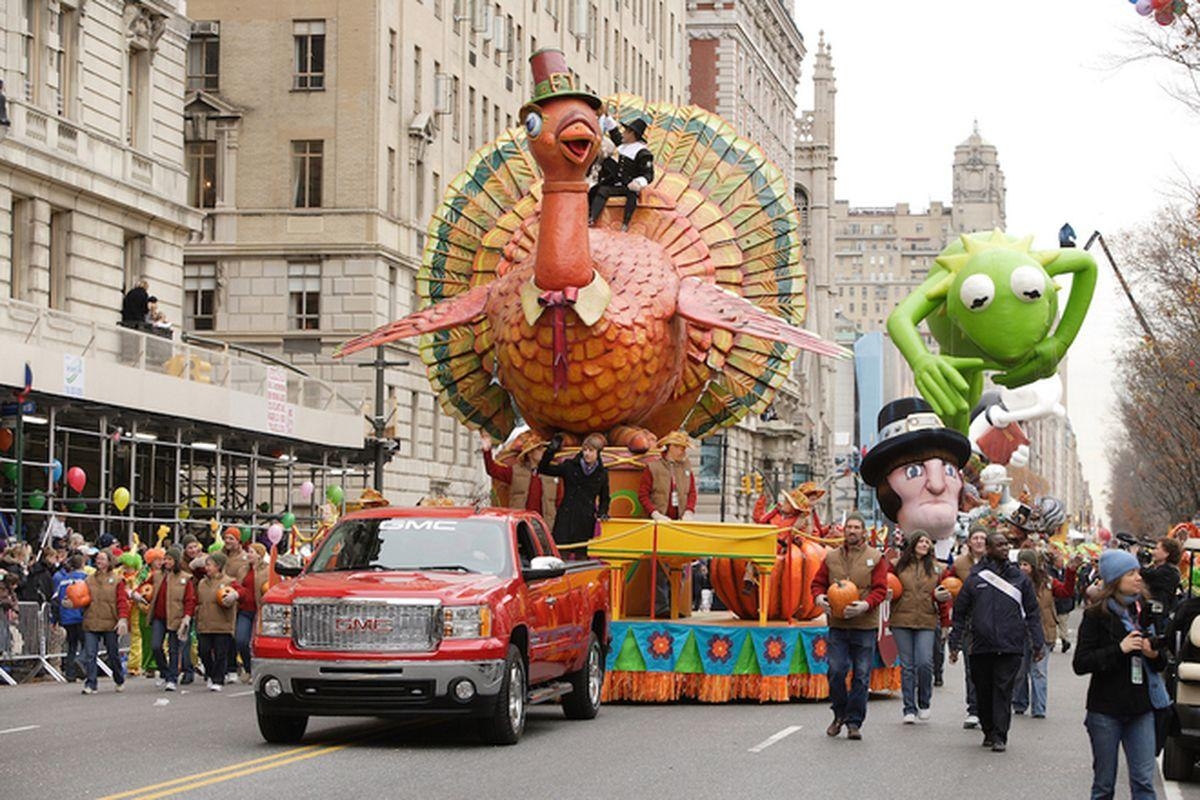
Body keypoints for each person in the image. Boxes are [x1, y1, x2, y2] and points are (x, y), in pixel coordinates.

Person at [1073, 549, 1167, 800]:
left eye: (1138, 571)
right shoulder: (1096, 615)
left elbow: (1162, 661)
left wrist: (1153, 654)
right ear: (1115, 579)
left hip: (1141, 708)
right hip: (1105, 709)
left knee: (1144, 782)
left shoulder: (1145, 610)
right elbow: (1081, 663)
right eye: (1131, 573)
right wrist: (1119, 649)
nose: (1138, 577)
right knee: (1104, 784)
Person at [949, 532, 1045, 752]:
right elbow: (960, 613)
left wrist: (1037, 643)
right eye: (999, 545)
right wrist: (954, 644)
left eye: (1006, 544)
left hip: (1010, 644)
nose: (1004, 548)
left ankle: (1000, 735)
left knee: (1003, 689)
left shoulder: (1020, 579)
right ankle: (988, 730)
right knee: (983, 690)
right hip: (981, 645)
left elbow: (1032, 612)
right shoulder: (976, 578)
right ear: (989, 549)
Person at [812, 512, 889, 740]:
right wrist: (818, 597)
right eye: (849, 527)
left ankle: (854, 722)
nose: (852, 531)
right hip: (837, 624)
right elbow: (817, 583)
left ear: (863, 532)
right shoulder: (831, 557)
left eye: (856, 527)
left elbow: (881, 589)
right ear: (844, 531)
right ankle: (839, 714)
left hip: (864, 625)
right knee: (836, 671)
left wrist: (866, 605)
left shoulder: (875, 557)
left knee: (862, 675)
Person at [890, 531, 953, 723]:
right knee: (907, 666)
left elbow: (943, 598)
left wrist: (945, 623)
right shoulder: (897, 566)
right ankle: (909, 708)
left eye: (927, 542)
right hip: (901, 620)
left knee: (925, 663)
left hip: (926, 620)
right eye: (921, 541)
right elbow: (887, 587)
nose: (924, 544)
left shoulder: (938, 569)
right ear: (913, 543)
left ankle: (924, 702)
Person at [1011, 549, 1078, 719]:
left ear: (1033, 566)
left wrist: (1070, 572)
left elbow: (1066, 592)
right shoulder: (1013, 582)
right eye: (1020, 564)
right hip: (1019, 632)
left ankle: (1039, 708)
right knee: (1020, 671)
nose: (1022, 568)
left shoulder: (1048, 582)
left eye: (1025, 564)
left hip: (1043, 632)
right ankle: (1019, 703)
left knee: (1039, 671)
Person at [637, 430, 697, 615]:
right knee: (659, 567)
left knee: (680, 567)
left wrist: (689, 510)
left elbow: (692, 492)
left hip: (679, 524)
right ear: (670, 447)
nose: (683, 451)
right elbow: (643, 494)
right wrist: (654, 513)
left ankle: (675, 606)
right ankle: (661, 607)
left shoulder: (686, 468)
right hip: (660, 523)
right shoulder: (653, 468)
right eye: (680, 447)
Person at [538, 433, 610, 557]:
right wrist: (550, 451)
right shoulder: (570, 466)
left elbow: (605, 497)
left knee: (581, 557)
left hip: (585, 520)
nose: (587, 453)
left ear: (598, 453)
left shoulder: (602, 473)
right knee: (561, 555)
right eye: (585, 450)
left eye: (591, 450)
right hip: (566, 517)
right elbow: (544, 469)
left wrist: (602, 512)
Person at [946, 524, 989, 729]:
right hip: (968, 621)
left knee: (987, 669)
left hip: (990, 621)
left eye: (982, 538)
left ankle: (986, 708)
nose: (979, 541)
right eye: (976, 538)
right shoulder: (959, 563)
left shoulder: (994, 562)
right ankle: (973, 709)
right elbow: (948, 583)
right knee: (971, 669)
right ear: (969, 541)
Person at [76, 549, 130, 695]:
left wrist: (123, 618)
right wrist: (72, 602)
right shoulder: (89, 579)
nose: (99, 561)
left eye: (102, 559)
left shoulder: (117, 579)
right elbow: (82, 597)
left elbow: (121, 601)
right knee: (90, 654)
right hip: (91, 620)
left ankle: (119, 679)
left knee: (113, 654)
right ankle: (91, 683)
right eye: (98, 559)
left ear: (109, 561)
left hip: (110, 622)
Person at [586, 118, 654, 231]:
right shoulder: (625, 145)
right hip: (616, 180)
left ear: (632, 134)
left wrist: (639, 182)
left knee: (606, 191)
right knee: (595, 189)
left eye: (626, 131)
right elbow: (615, 135)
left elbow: (649, 174)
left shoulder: (642, 153)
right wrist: (606, 117)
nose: (623, 134)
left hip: (628, 186)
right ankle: (589, 215)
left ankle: (621, 223)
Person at [481, 432, 558, 529]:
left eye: (543, 448)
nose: (543, 451)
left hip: (545, 527)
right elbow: (492, 470)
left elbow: (558, 501)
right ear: (530, 453)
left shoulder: (552, 474)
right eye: (539, 449)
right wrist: (487, 450)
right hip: (520, 525)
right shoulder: (515, 471)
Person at [146, 546, 195, 692]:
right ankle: (164, 671)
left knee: (174, 649)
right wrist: (137, 594)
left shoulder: (185, 578)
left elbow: (189, 600)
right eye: (164, 559)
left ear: (176, 561)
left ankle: (172, 678)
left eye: (169, 559)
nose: (166, 562)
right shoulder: (157, 575)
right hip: (159, 617)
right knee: (155, 646)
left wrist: (187, 617)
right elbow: (144, 587)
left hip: (175, 617)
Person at [195, 551, 240, 692]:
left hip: (222, 624)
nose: (207, 568)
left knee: (221, 653)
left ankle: (218, 679)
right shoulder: (202, 583)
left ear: (218, 566)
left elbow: (239, 593)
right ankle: (210, 673)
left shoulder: (229, 582)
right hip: (204, 623)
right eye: (206, 565)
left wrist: (233, 595)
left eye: (210, 565)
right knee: (203, 651)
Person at [52, 553, 88, 681]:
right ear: (83, 564)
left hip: (66, 616)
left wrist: (54, 619)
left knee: (72, 645)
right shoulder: (86, 578)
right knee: (87, 643)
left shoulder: (63, 580)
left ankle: (70, 673)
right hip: (81, 615)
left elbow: (55, 600)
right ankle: (81, 663)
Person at [234, 543, 268, 683]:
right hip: (244, 610)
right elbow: (236, 584)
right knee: (241, 640)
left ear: (260, 555)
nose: (249, 554)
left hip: (259, 610)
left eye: (252, 552)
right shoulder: (242, 570)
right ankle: (248, 669)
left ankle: (256, 672)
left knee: (256, 644)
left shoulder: (267, 570)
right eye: (248, 552)